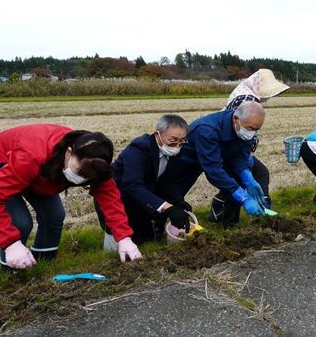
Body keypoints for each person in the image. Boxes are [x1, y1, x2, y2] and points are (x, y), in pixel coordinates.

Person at [0, 124, 142, 271]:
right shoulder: (31, 157)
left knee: (54, 216)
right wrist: (11, 244)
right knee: (21, 223)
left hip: (41, 175)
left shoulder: (97, 163)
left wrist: (124, 238)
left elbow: (111, 202)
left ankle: (43, 267)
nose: (81, 179)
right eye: (79, 172)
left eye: (88, 177)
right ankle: (12, 273)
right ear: (68, 152)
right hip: (4, 164)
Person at [95, 114, 192, 247]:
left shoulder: (176, 150)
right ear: (157, 135)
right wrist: (168, 208)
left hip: (142, 197)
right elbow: (132, 185)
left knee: (145, 239)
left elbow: (168, 180)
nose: (177, 146)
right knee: (119, 238)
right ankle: (112, 262)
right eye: (173, 140)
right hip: (118, 197)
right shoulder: (140, 148)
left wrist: (178, 200)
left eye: (182, 141)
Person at [208, 69, 290, 222]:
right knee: (246, 177)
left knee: (249, 176)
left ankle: (217, 212)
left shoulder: (244, 91)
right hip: (229, 147)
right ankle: (232, 223)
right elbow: (238, 128)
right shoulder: (245, 99)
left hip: (234, 147)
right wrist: (246, 155)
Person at [171, 101, 267, 230]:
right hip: (189, 161)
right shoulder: (208, 130)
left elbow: (241, 156)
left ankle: (231, 224)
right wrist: (244, 197)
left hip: (224, 154)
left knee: (238, 178)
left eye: (257, 129)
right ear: (236, 118)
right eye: (251, 128)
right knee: (173, 192)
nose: (252, 133)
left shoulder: (245, 128)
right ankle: (158, 229)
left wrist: (248, 178)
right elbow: (214, 170)